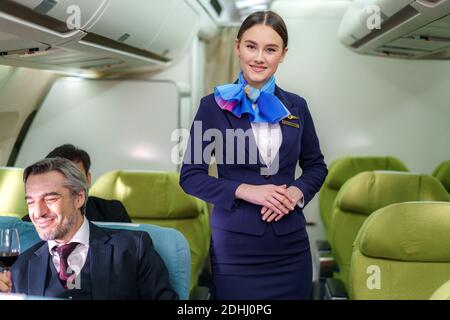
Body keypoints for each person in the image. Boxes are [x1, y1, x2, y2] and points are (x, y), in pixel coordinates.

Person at [179, 11, 327, 300]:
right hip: (236, 250)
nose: (259, 57)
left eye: (270, 49)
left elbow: (316, 166)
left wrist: (297, 191)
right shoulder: (212, 107)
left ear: (282, 55)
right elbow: (190, 177)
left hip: (290, 247)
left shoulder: (297, 106)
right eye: (251, 46)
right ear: (237, 47)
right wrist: (247, 191)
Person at [1, 157, 178, 299]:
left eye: (50, 199)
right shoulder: (19, 267)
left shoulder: (133, 248)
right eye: (31, 202)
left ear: (79, 198)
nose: (38, 212)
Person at [22, 144, 131, 223]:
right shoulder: (30, 223)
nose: (68, 184)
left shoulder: (111, 212)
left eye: (75, 176)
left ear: (88, 180)